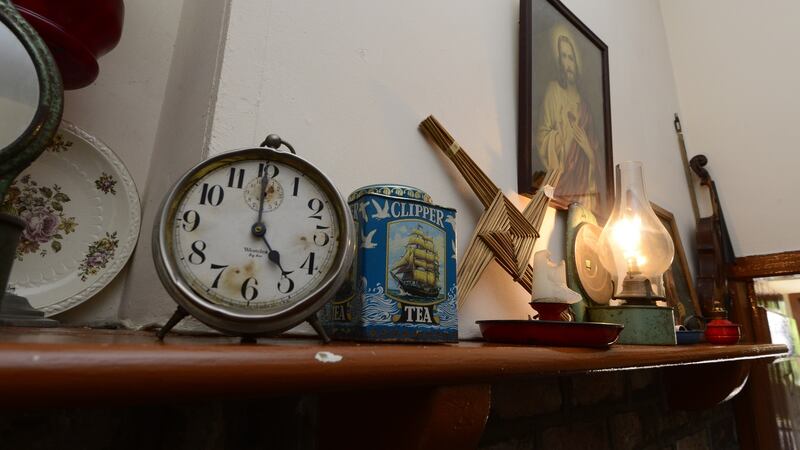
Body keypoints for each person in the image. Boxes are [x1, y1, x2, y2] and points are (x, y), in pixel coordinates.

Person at [536, 33, 602, 214]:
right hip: (561, 181)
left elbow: (595, 156)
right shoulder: (553, 91)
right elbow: (543, 136)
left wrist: (588, 149)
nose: (567, 64)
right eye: (563, 57)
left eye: (570, 58)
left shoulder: (585, 107)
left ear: (577, 63)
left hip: (582, 192)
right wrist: (563, 137)